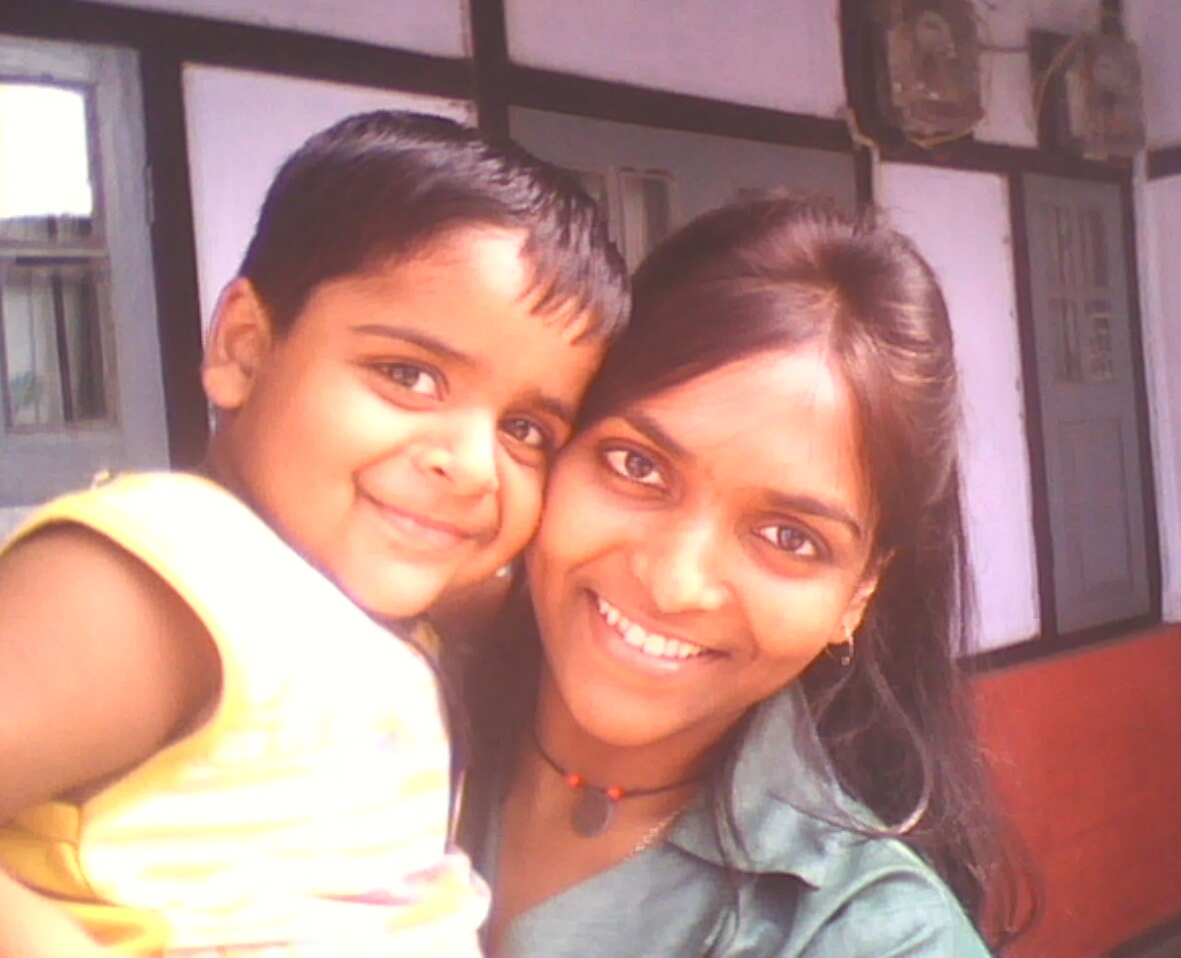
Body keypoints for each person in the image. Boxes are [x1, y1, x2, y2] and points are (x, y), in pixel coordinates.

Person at [0, 111, 628, 957]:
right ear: (244, 349)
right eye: (409, 376)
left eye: (526, 431)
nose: (474, 466)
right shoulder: (165, 577)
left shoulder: (352, 605)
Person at [461, 196, 1028, 956]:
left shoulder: (875, 937)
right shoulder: (365, 691)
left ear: (859, 593)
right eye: (637, 466)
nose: (675, 583)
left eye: (789, 537)